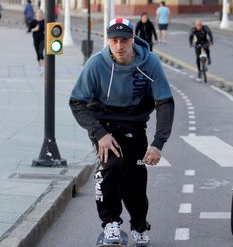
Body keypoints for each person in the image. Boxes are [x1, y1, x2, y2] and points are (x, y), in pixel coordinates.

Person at [69, 17, 175, 246]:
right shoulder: (96, 64)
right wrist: (99, 134)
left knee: (135, 183)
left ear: (133, 39)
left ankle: (139, 226)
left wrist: (158, 143)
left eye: (124, 40)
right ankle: (110, 223)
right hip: (104, 125)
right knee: (111, 167)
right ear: (107, 41)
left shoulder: (150, 63)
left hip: (135, 126)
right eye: (114, 40)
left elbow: (165, 102)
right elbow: (77, 102)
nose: (119, 46)